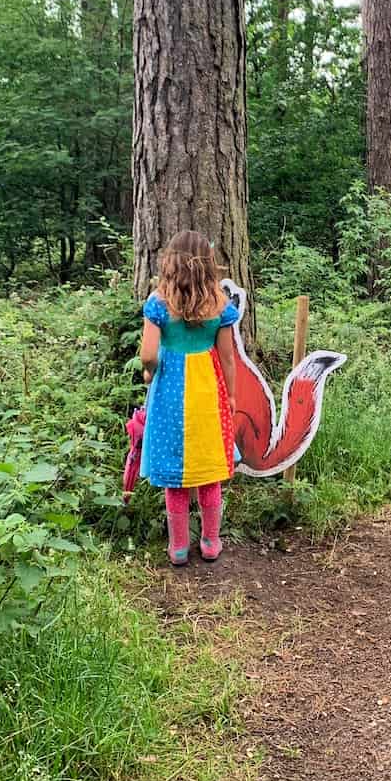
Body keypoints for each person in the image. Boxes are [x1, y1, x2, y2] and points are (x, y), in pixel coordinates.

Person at [139, 230, 239, 565]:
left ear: (170, 262)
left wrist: (150, 372)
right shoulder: (219, 305)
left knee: (176, 473)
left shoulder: (159, 302)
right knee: (208, 469)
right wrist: (232, 397)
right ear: (208, 264)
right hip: (208, 391)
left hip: (170, 392)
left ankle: (179, 548)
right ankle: (211, 542)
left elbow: (147, 354)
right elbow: (227, 357)